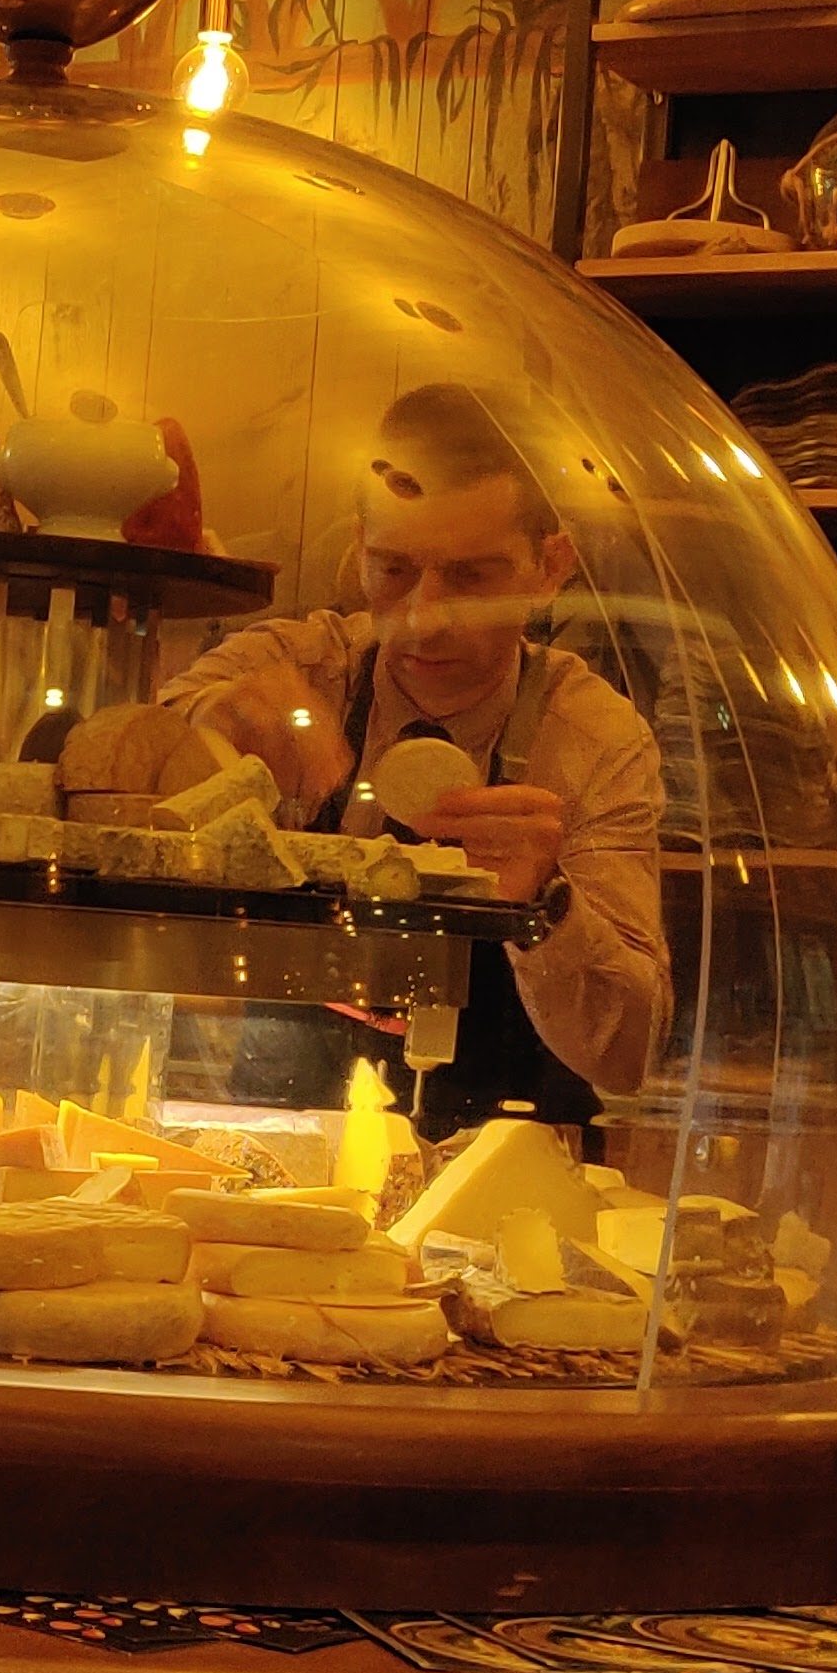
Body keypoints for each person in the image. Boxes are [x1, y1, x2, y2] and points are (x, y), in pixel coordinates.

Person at [154, 379, 668, 1131]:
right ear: (358, 550)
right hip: (288, 1140)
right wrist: (207, 725)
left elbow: (629, 1056)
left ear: (551, 567)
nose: (424, 620)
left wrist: (545, 906)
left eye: (472, 577)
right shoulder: (304, 667)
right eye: (393, 571)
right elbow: (132, 749)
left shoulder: (592, 739)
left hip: (507, 1155)